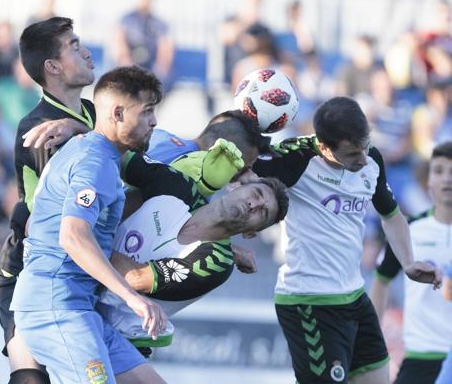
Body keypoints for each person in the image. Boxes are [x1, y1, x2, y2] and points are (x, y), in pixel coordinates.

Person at [252, 96, 441, 384]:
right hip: (308, 301)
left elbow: (392, 216)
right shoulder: (293, 159)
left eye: (365, 146)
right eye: (353, 154)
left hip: (354, 296)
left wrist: (408, 262)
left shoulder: (372, 159)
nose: (363, 159)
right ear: (325, 146)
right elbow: (239, 172)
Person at [10, 66, 167, 384]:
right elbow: (72, 235)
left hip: (79, 306)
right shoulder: (94, 163)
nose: (154, 121)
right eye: (147, 112)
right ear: (118, 113)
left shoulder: (94, 153)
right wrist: (131, 297)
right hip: (57, 307)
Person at [0, 16, 96, 384]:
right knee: (32, 377)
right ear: (52, 67)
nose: (86, 52)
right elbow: (51, 214)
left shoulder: (90, 117)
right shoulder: (41, 129)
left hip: (71, 270)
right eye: (74, 46)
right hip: (26, 271)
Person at [98, 150, 289, 348]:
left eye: (263, 213)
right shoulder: (178, 186)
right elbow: (115, 151)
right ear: (234, 186)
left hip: (116, 337)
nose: (253, 205)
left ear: (251, 233)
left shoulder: (216, 262)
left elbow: (135, 277)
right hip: (79, 289)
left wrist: (84, 237)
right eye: (256, 194)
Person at [370, 141, 452, 384]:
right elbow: (381, 281)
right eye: (439, 171)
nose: (447, 179)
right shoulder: (408, 230)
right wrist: (371, 342)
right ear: (428, 181)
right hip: (421, 356)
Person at [112, 0, 174, 91]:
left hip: (150, 63)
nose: (146, 0)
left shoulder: (159, 23)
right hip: (129, 61)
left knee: (164, 78)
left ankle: (150, 104)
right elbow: (119, 40)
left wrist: (162, 65)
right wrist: (125, 59)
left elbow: (166, 45)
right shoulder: (126, 19)